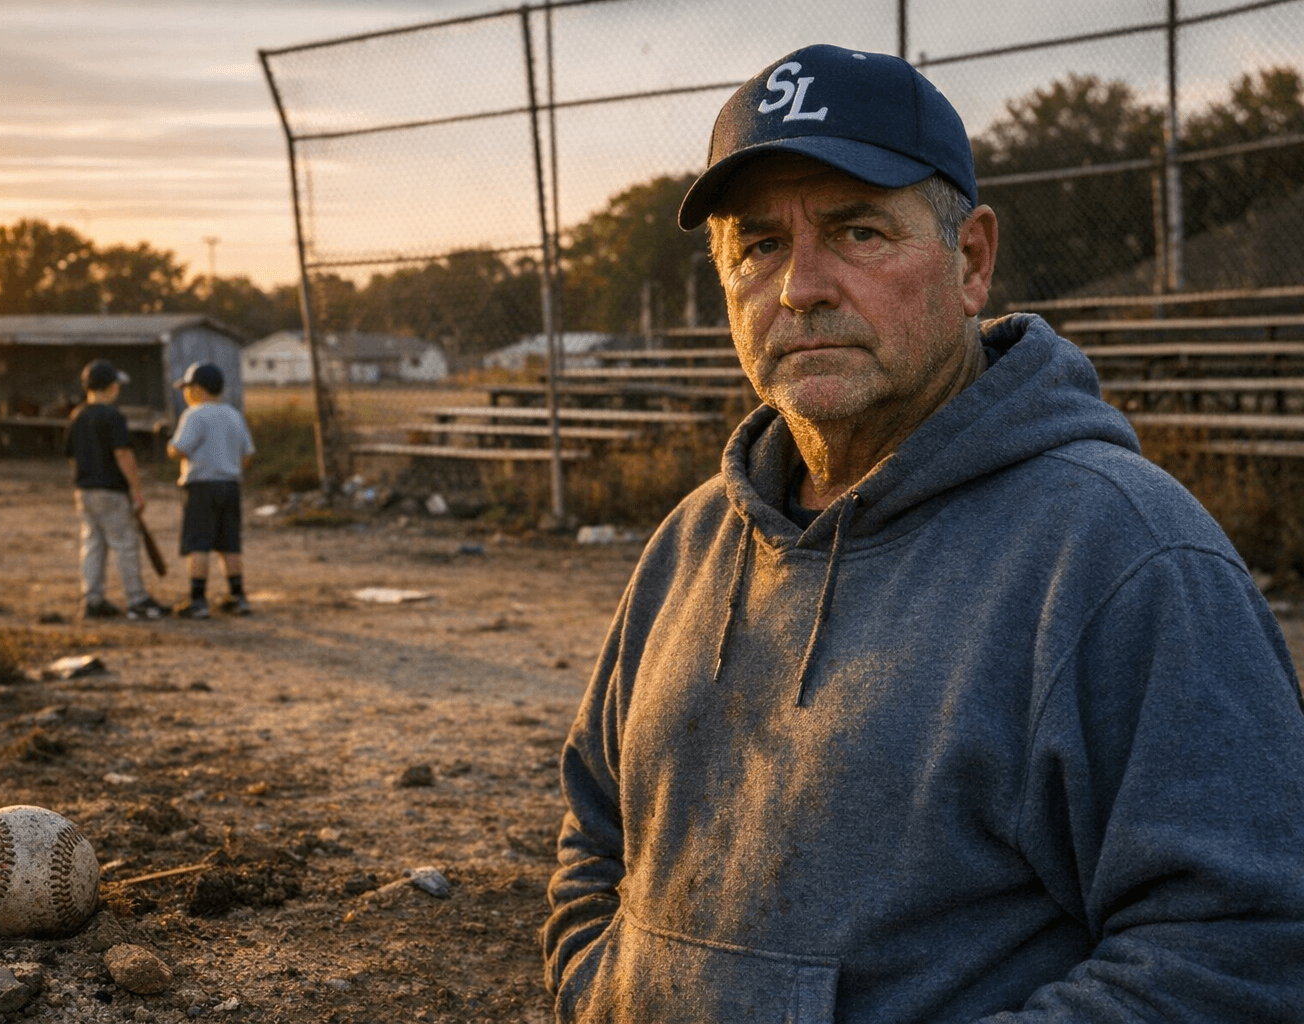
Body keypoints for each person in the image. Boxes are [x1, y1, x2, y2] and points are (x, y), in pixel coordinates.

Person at [542, 43, 1304, 1024]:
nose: (801, 285)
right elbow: (593, 834)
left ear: (972, 259)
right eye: (759, 244)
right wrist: (600, 992)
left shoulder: (1126, 555)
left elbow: (1237, 952)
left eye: (858, 231)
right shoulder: (690, 543)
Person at [65, 359, 169, 620]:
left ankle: (92, 599)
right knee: (125, 543)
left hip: (83, 489)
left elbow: (72, 456)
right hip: (110, 490)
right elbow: (123, 453)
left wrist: (81, 480)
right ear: (111, 388)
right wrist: (136, 490)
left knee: (93, 544)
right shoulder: (113, 416)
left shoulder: (77, 416)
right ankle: (137, 600)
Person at [166, 362, 256, 618]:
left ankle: (197, 601)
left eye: (187, 387)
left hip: (201, 486)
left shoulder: (195, 415)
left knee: (198, 544)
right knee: (229, 543)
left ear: (197, 388)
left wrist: (168, 442)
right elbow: (247, 455)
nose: (185, 393)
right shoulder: (233, 414)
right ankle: (238, 597)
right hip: (230, 485)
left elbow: (179, 450)